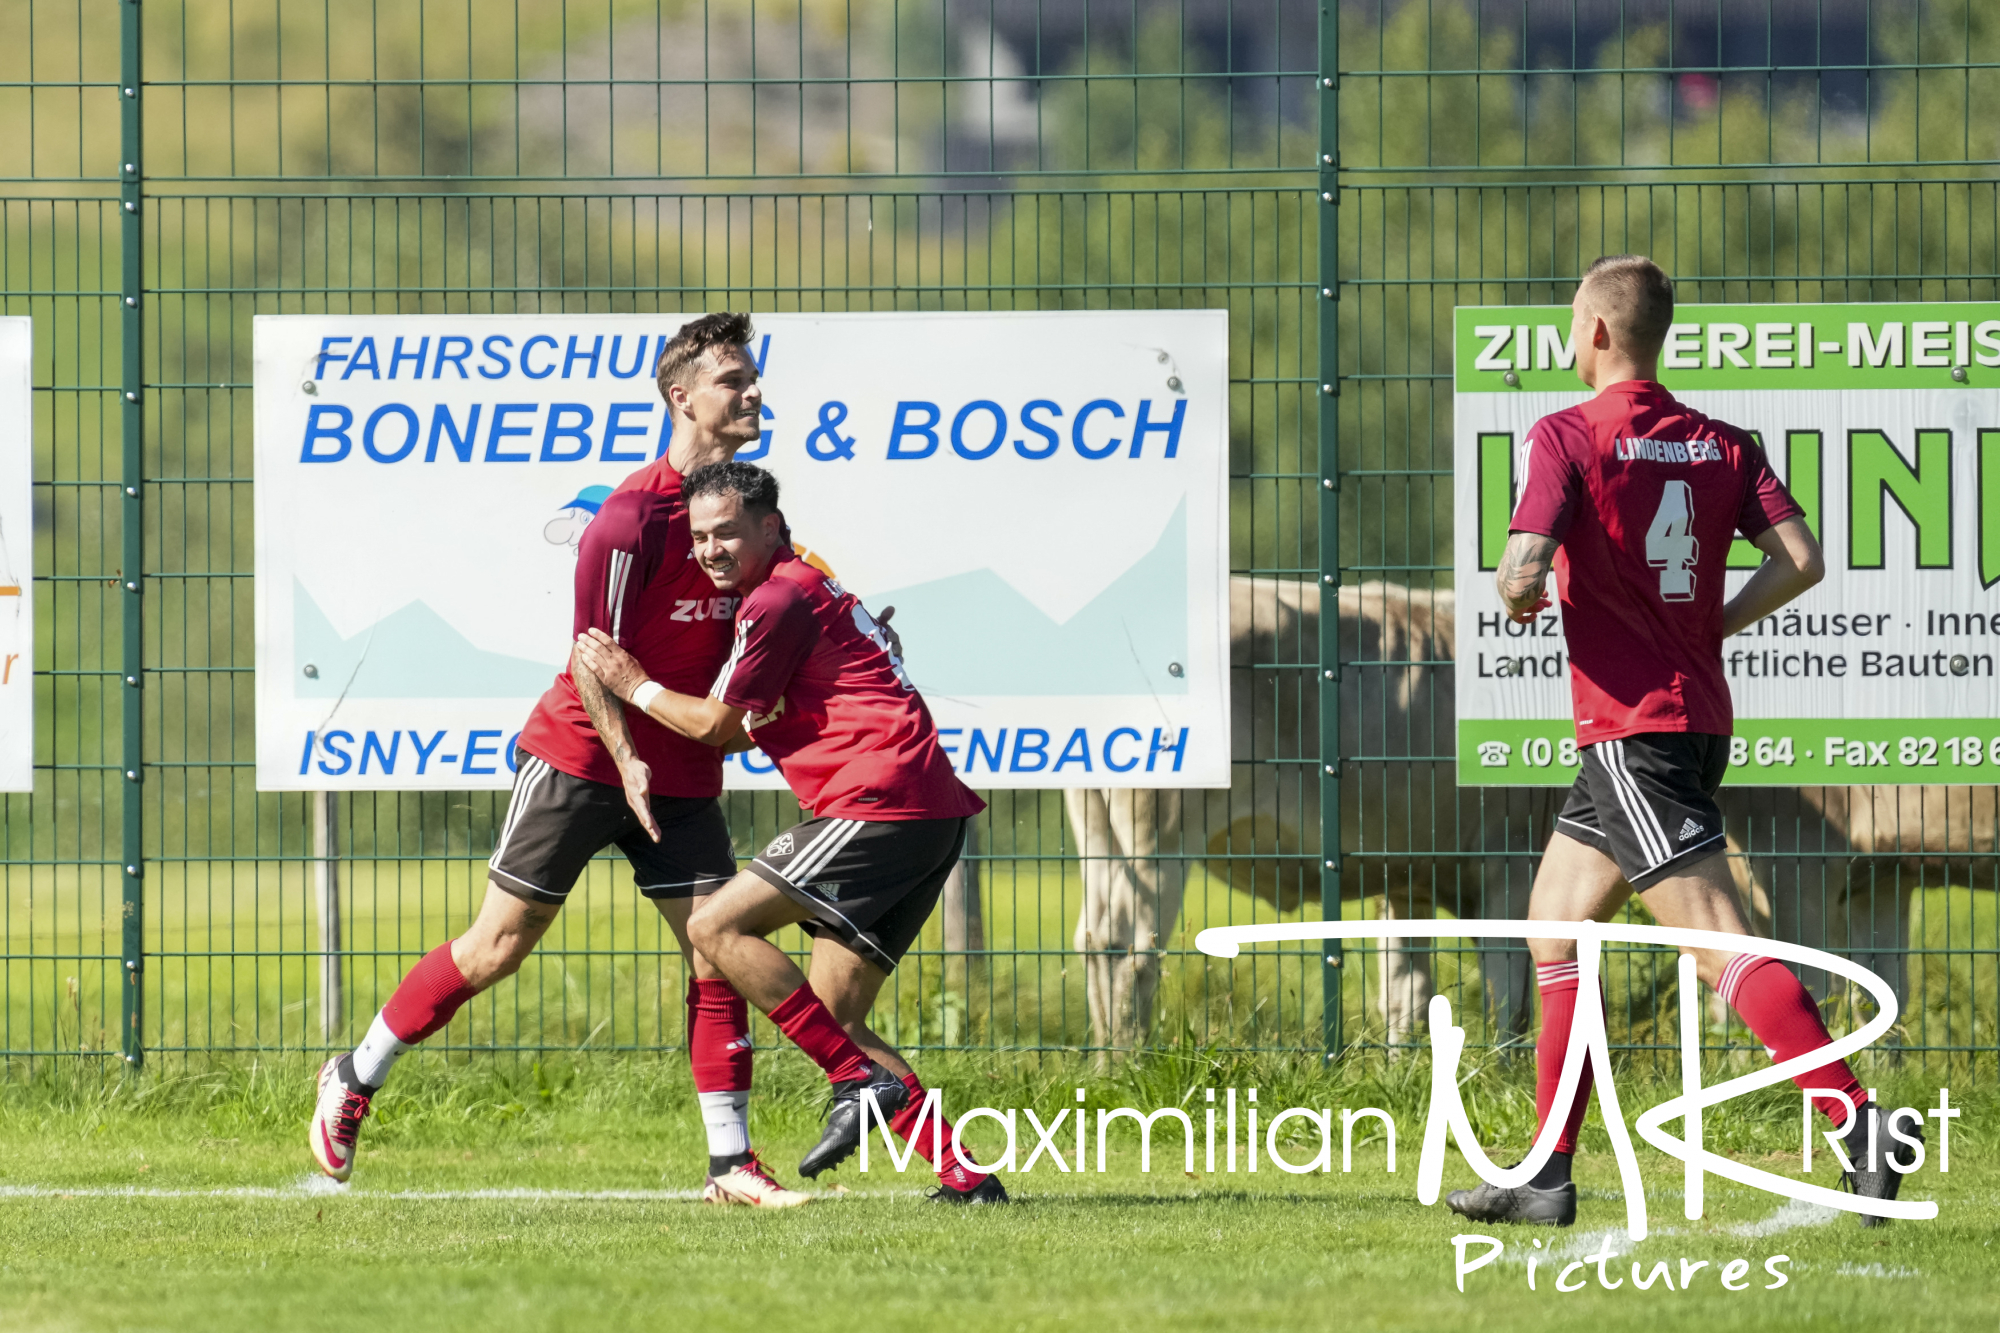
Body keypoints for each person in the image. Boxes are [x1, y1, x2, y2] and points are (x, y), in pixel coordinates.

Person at [1446, 255, 1914, 1228]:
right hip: (1687, 720)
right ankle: (1544, 1172)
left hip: (1631, 731)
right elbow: (1802, 560)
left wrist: (1514, 587)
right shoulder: (1720, 444)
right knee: (1555, 924)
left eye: (1572, 324)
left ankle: (1857, 1121)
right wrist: (1714, 624)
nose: (1568, 340)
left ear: (1599, 334)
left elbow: (1522, 564)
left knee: (1714, 940)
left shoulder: (1565, 435)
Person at [310, 314, 812, 1208]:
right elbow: (591, 655)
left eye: (751, 377)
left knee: (716, 948)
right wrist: (625, 756)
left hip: (683, 768)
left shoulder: (745, 513)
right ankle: (354, 1072)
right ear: (681, 396)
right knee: (497, 946)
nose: (752, 393)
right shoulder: (627, 519)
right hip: (583, 754)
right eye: (733, 379)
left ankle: (729, 1162)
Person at [574, 461, 1008, 1204]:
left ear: (770, 527)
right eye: (700, 536)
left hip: (878, 802)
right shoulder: (802, 587)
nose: (711, 549)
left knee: (714, 926)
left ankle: (852, 1080)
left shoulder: (774, 599)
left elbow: (716, 728)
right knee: (836, 1013)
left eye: (727, 534)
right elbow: (746, 726)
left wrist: (631, 682)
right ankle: (965, 1174)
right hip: (926, 812)